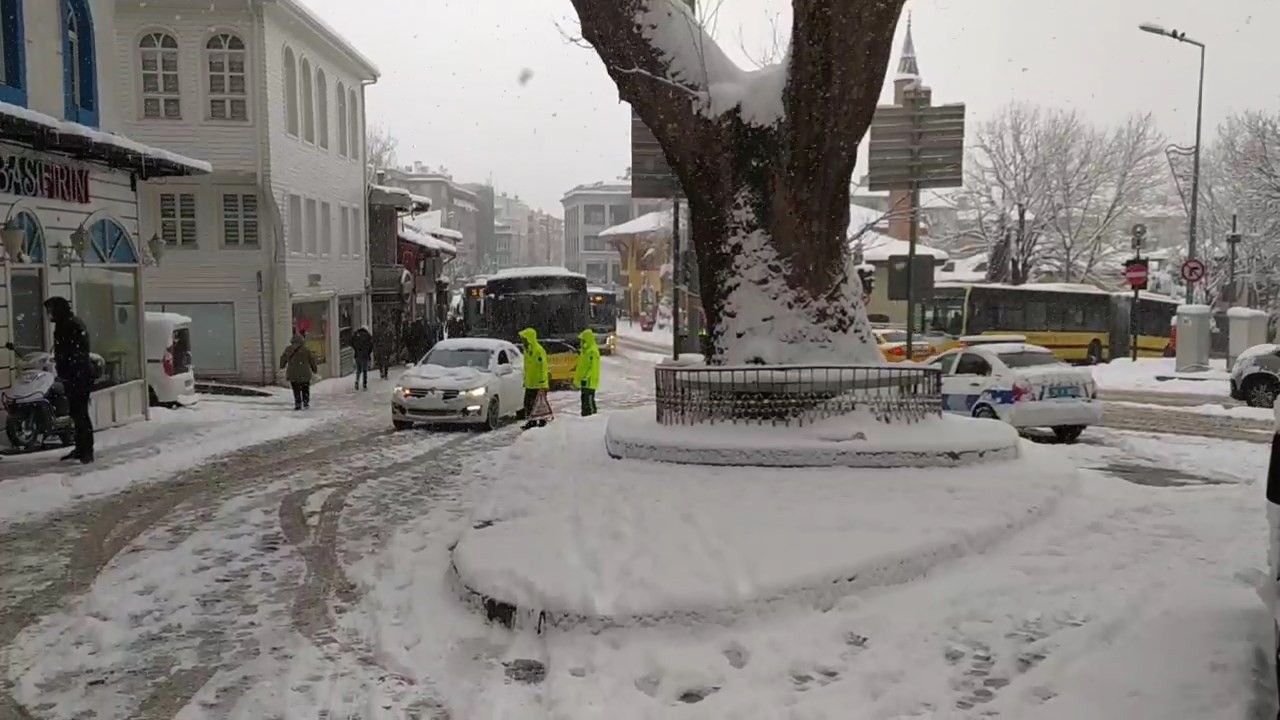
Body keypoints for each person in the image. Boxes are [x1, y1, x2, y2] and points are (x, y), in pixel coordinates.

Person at [44, 297, 96, 463]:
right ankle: (80, 448)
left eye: (50, 310)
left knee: (80, 414)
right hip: (72, 374)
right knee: (76, 413)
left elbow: (76, 352)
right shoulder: (65, 324)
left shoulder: (71, 325)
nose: (49, 314)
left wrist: (69, 369)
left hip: (79, 375)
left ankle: (87, 451)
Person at [518, 327, 550, 429]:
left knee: (539, 404)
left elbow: (543, 367)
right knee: (528, 404)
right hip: (530, 383)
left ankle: (542, 422)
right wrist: (525, 379)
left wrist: (543, 382)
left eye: (524, 339)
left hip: (539, 383)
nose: (522, 341)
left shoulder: (538, 351)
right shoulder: (527, 351)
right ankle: (531, 421)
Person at [280, 334, 318, 410]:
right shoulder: (306, 350)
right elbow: (312, 360)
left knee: (296, 389)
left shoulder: (288, 349)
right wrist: (314, 369)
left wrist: (282, 366)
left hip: (293, 373)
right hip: (304, 373)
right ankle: (306, 402)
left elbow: (283, 359)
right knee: (305, 388)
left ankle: (298, 403)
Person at [573, 328, 601, 417]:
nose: (581, 342)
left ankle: (592, 419)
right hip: (585, 382)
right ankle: (585, 417)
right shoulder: (585, 351)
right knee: (584, 401)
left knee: (589, 401)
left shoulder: (592, 352)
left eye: (583, 340)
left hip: (589, 382)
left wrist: (586, 377)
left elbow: (592, 368)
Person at [350, 326, 373, 390]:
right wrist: (368, 352)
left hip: (357, 355)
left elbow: (351, 342)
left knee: (358, 369)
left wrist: (356, 349)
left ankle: (357, 381)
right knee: (364, 370)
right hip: (364, 355)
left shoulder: (356, 335)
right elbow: (371, 346)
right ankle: (364, 384)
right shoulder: (368, 336)